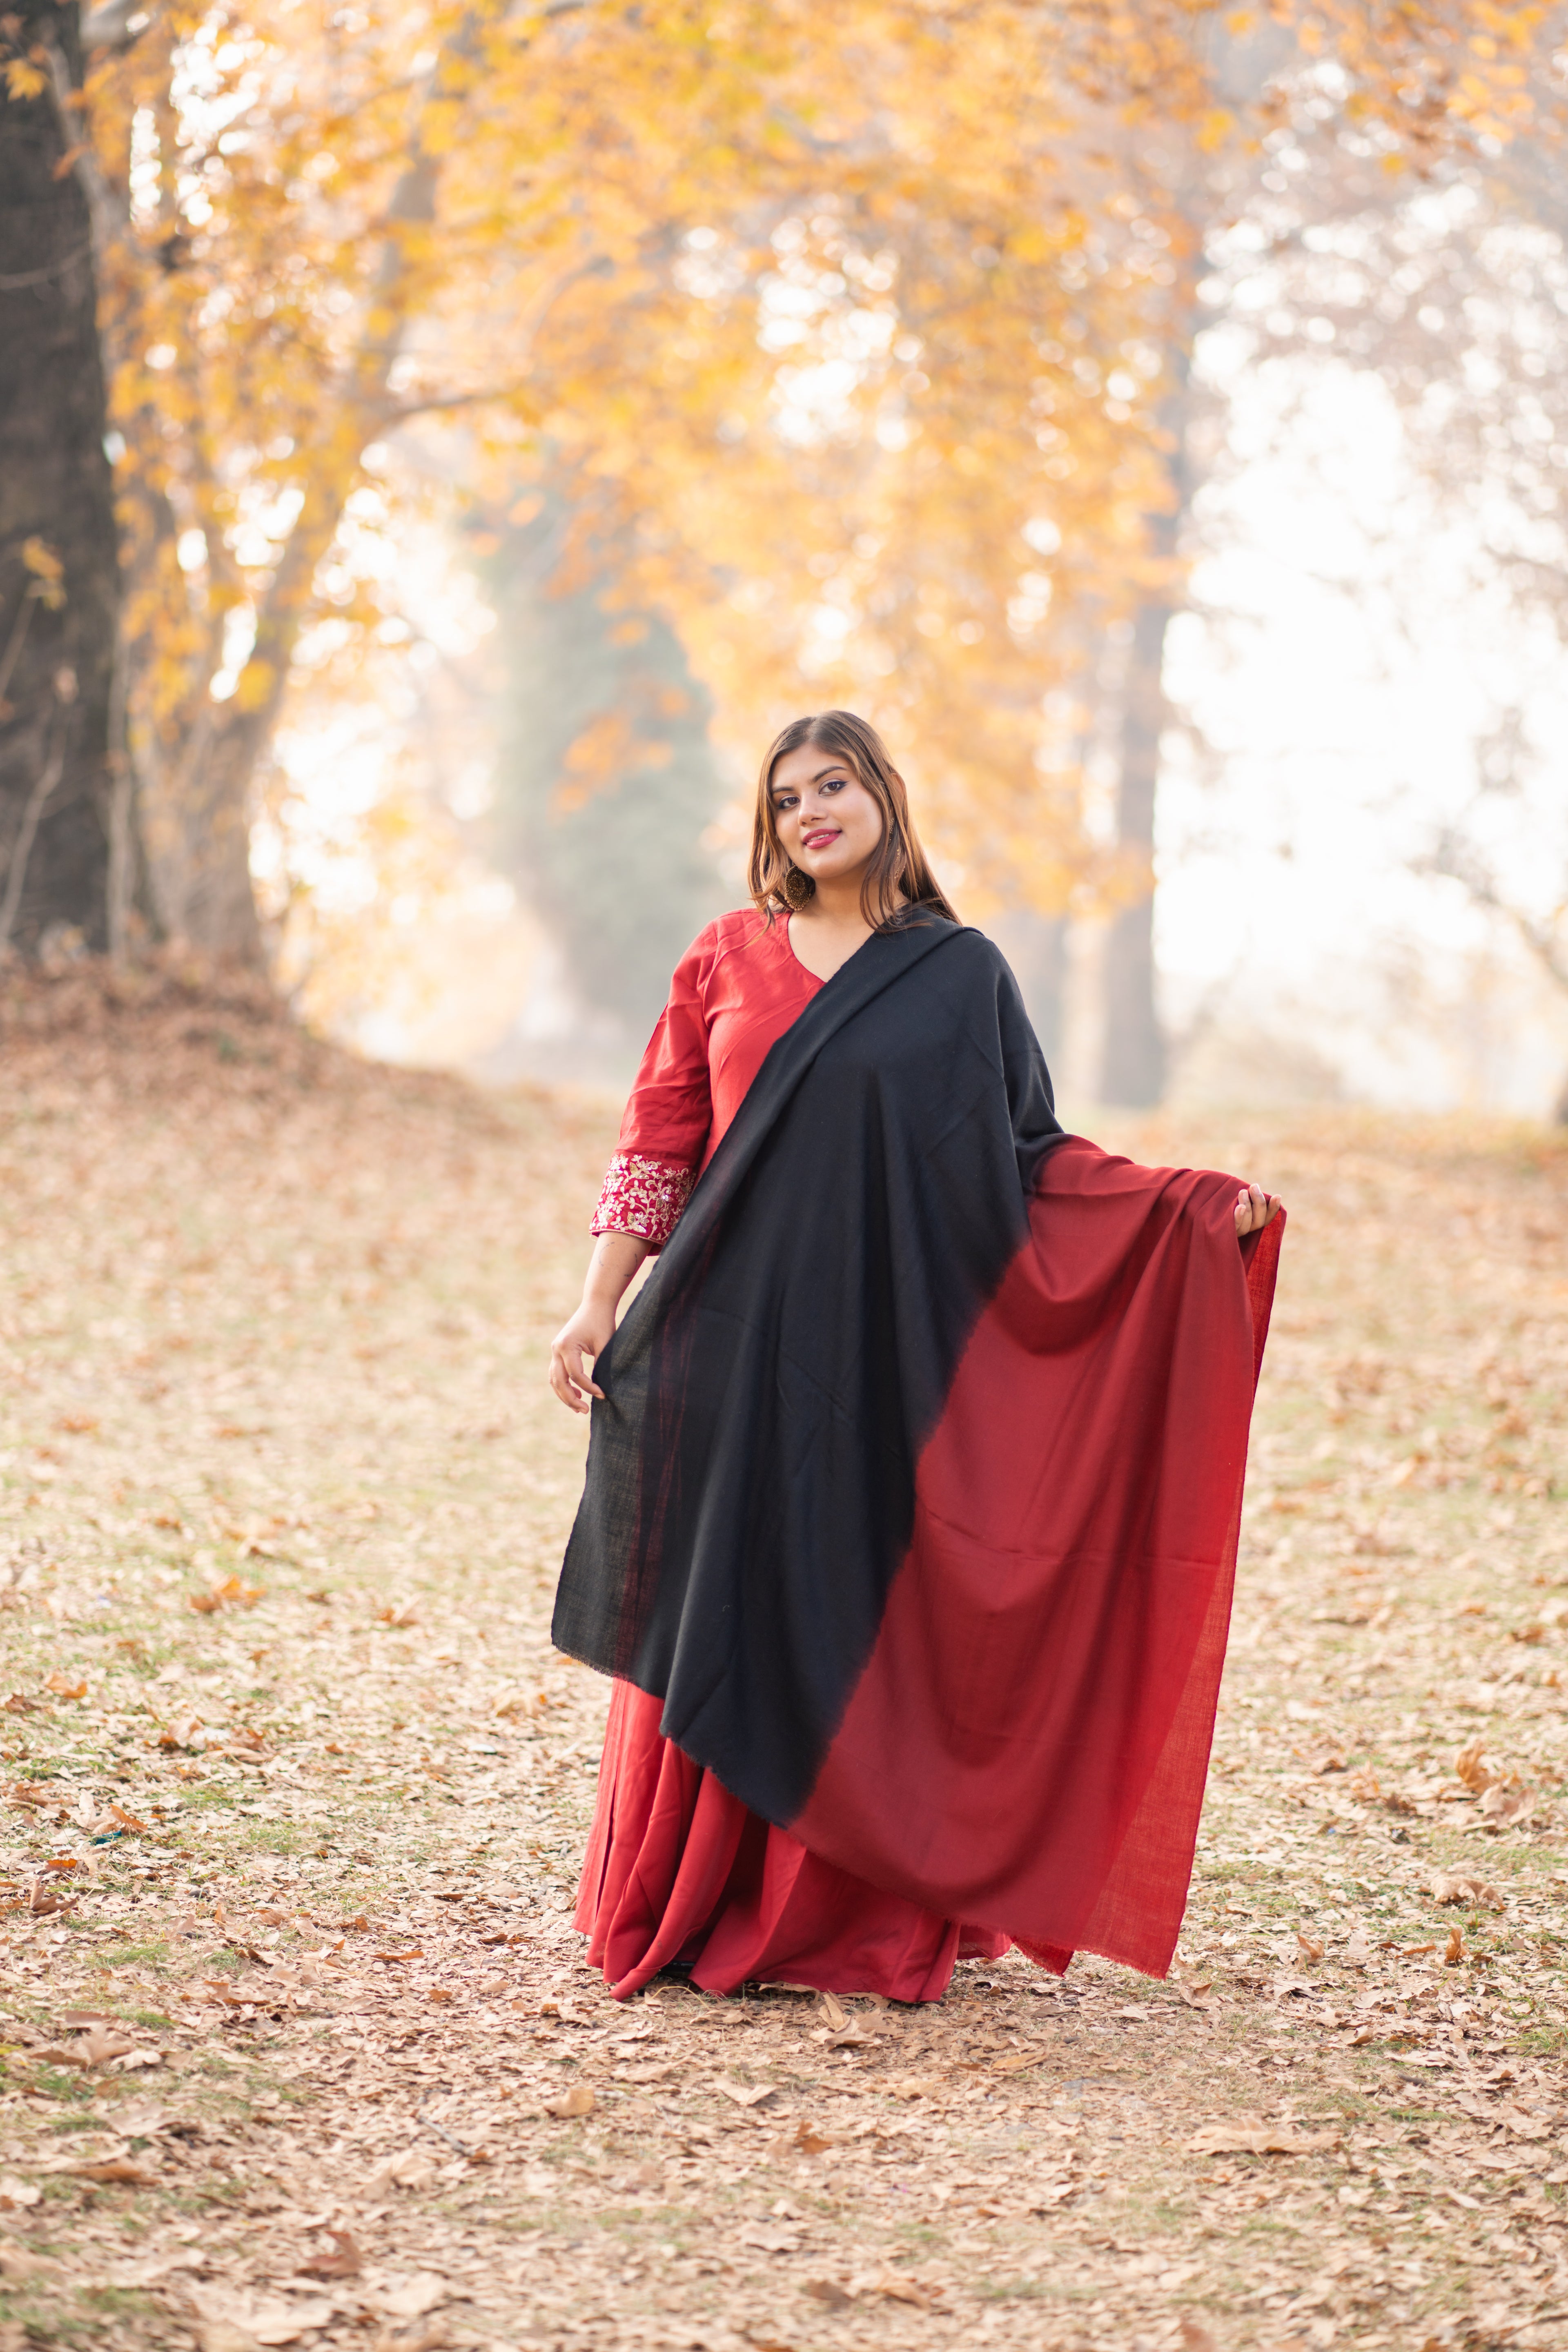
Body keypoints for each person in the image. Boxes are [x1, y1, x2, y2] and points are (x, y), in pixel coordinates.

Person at [548, 710, 1283, 2005]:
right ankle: (697, 1897)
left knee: (840, 1607)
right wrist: (596, 1300)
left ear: (884, 796)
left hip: (878, 1356)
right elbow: (658, 1137)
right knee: (725, 1598)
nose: (811, 814)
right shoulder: (726, 956)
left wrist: (1182, 1210)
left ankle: (839, 1918)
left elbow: (1029, 1158)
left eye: (833, 786)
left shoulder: (957, 975)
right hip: (725, 1342)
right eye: (787, 800)